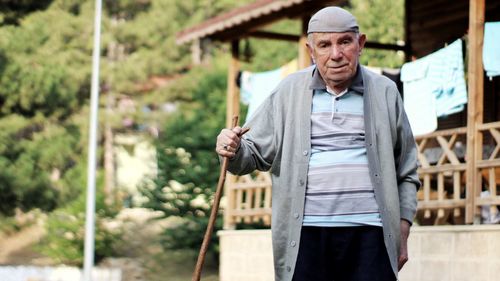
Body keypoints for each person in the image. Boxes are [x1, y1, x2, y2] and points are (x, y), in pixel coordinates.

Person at [216, 6, 420, 281]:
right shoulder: (289, 91)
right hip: (305, 235)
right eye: (324, 45)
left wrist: (403, 226)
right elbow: (250, 155)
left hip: (372, 232)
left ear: (360, 44)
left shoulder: (385, 91)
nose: (335, 54)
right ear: (311, 50)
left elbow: (407, 169)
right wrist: (233, 147)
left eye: (344, 42)